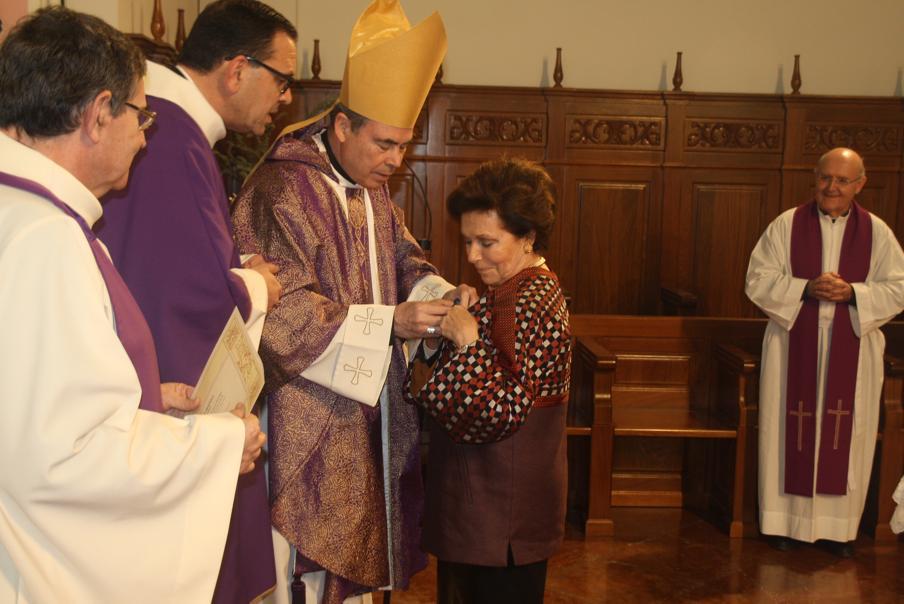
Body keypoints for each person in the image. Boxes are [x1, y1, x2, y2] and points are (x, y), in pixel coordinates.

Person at [0, 7, 265, 602]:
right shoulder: (44, 239)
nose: (146, 134)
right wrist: (218, 444)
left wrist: (146, 405)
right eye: (140, 115)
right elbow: (62, 463)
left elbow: (33, 411)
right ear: (98, 115)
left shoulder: (22, 215)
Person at [232, 2, 471, 602]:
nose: (396, 160)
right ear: (342, 127)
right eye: (385, 144)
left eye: (404, 145)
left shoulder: (370, 191)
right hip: (304, 416)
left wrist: (441, 298)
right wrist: (392, 322)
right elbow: (279, 316)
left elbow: (404, 262)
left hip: (370, 412)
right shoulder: (281, 188)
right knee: (303, 577)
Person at [96, 1, 296, 600]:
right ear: (236, 70)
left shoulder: (171, 128)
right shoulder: (172, 136)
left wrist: (232, 271)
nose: (285, 98)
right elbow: (188, 291)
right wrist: (258, 283)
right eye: (281, 80)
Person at [405, 158, 572, 604]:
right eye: (467, 241)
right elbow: (420, 388)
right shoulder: (502, 293)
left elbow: (502, 412)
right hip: (476, 513)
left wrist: (466, 341)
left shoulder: (534, 300)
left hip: (504, 521)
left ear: (528, 236)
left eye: (487, 242)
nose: (472, 256)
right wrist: (441, 332)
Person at [746, 147, 904, 557]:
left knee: (845, 437)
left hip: (852, 347)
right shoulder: (786, 225)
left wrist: (854, 293)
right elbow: (757, 278)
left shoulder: (878, 233)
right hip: (792, 345)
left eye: (842, 180)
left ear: (860, 185)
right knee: (789, 429)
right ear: (815, 179)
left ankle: (838, 530)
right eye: (824, 178)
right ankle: (784, 525)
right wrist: (804, 287)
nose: (831, 187)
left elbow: (899, 287)